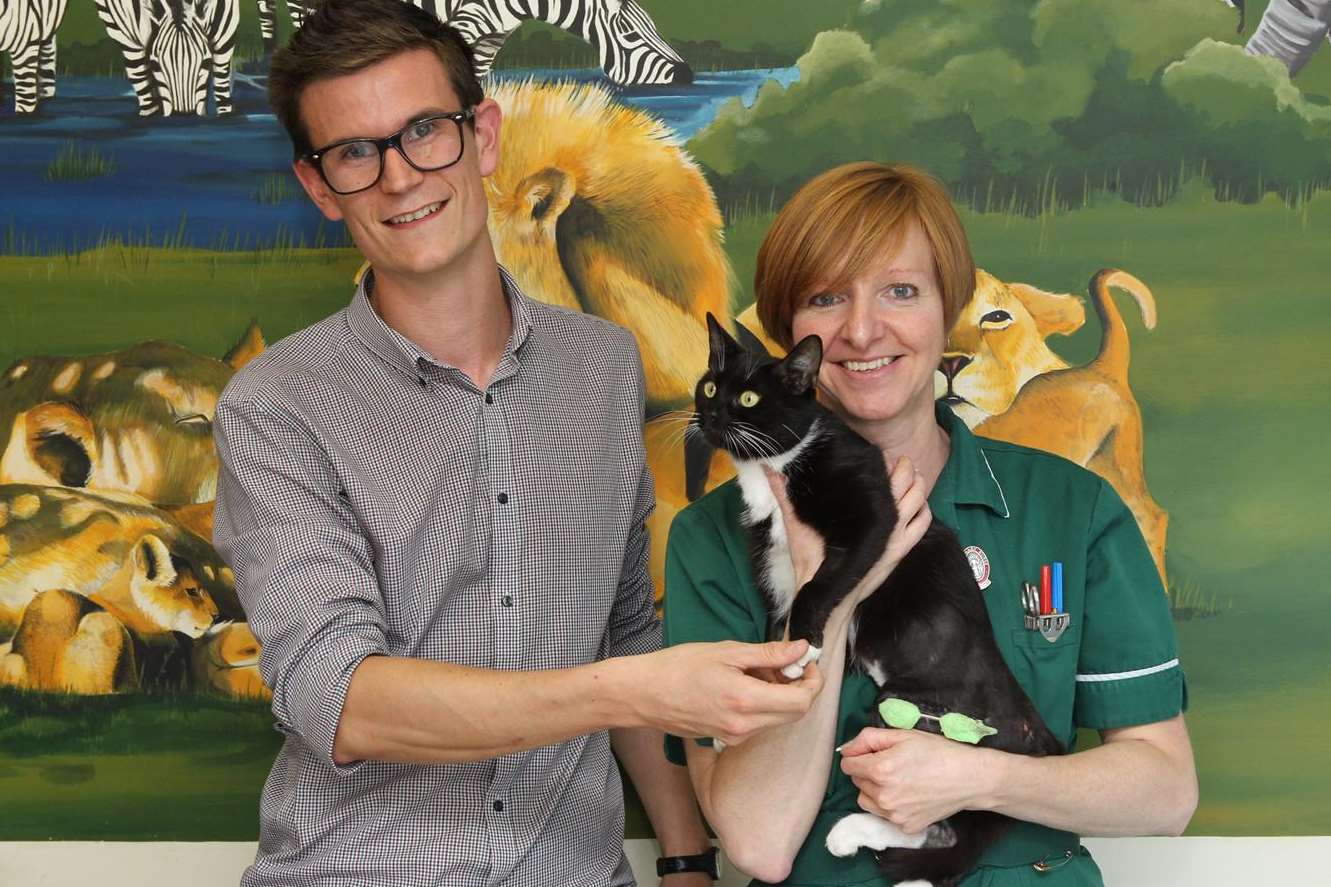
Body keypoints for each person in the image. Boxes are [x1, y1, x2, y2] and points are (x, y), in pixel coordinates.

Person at [210, 1, 823, 884]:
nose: (399, 177)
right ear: (319, 185)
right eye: (355, 151)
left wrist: (685, 858)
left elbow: (626, 626)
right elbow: (343, 700)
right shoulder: (275, 406)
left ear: (483, 137)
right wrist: (624, 688)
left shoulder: (605, 367)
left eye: (425, 130)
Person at [662, 161, 1198, 886]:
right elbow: (758, 841)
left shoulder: (1071, 508)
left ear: (949, 308)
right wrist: (838, 587)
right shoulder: (710, 540)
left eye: (900, 291)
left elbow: (1164, 792)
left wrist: (978, 776)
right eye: (824, 297)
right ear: (788, 331)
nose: (859, 329)